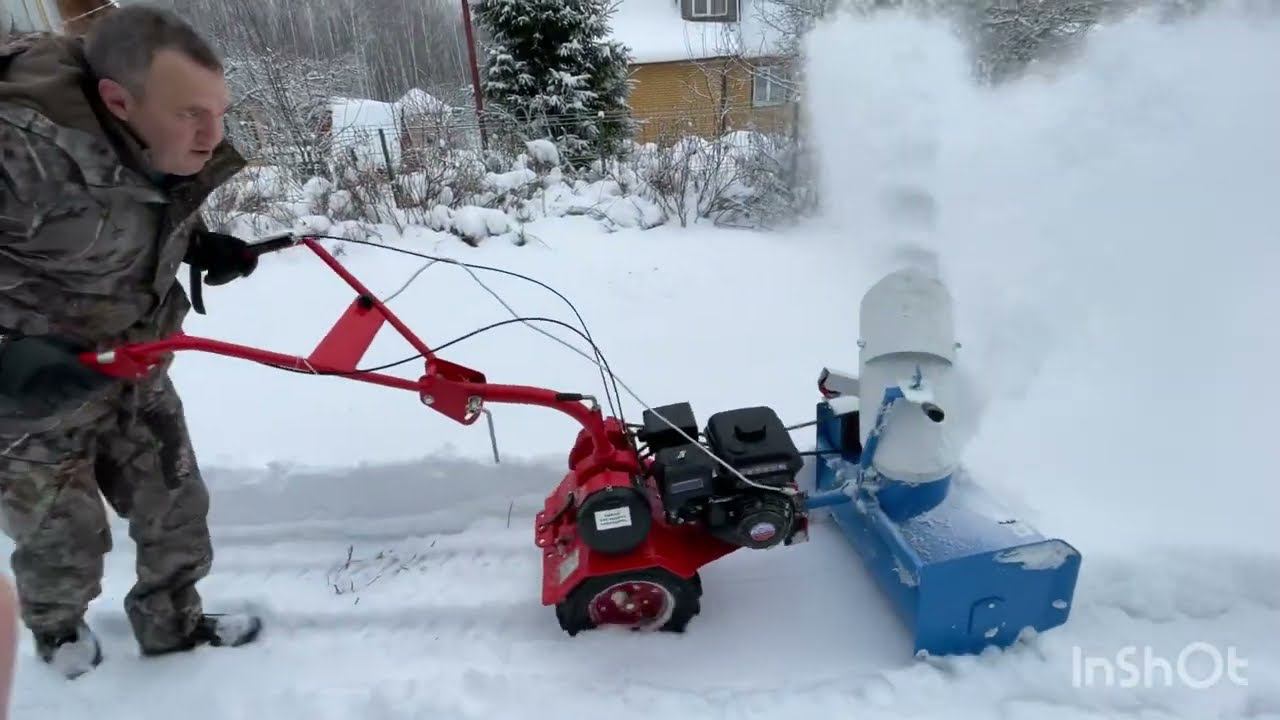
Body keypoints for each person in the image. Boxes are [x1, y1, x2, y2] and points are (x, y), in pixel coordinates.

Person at [0, 4, 262, 679]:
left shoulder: (153, 138)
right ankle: (58, 634)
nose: (213, 136)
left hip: (135, 362)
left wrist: (198, 244)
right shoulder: (20, 152)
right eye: (190, 116)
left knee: (175, 504)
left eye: (220, 111)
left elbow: (139, 204)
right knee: (62, 533)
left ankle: (172, 625)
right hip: (34, 395)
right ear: (117, 100)